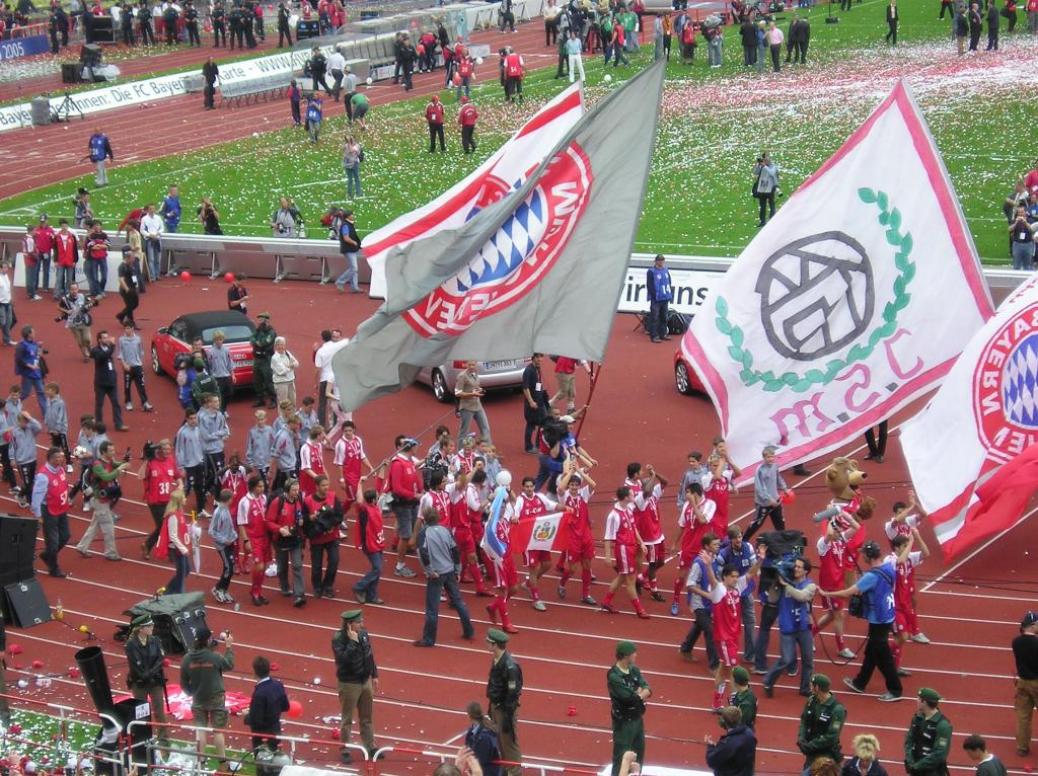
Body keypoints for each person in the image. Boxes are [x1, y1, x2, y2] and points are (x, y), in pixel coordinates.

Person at [824, 540, 902, 701]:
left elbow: (848, 593)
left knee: (883, 656)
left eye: (864, 555)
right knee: (871, 652)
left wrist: (827, 594)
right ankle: (860, 682)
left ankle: (895, 689)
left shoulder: (871, 576)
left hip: (878, 618)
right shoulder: (888, 568)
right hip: (887, 614)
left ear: (868, 555)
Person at [415, 506, 475, 646]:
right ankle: (469, 630)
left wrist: (429, 570)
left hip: (436, 574)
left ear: (425, 519)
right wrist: (457, 569)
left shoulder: (424, 533)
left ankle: (429, 639)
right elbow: (455, 550)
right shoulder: (446, 530)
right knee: (458, 602)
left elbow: (423, 553)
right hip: (449, 570)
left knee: (432, 608)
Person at [180, 627, 234, 769]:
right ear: (208, 640)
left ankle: (201, 761)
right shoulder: (214, 656)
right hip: (215, 697)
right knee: (218, 731)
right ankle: (222, 762)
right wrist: (228, 647)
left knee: (200, 730)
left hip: (198, 699)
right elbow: (229, 665)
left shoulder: (187, 659)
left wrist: (192, 692)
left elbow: (183, 683)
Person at [762, 556, 816, 697]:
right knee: (786, 659)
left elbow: (801, 596)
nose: (795, 569)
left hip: (803, 626)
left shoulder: (810, 585)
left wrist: (786, 585)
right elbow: (771, 599)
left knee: (808, 659)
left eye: (799, 567)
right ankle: (768, 681)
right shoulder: (784, 583)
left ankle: (805, 688)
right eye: (795, 566)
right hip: (788, 627)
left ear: (806, 571)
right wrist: (775, 583)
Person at [332, 610, 379, 762]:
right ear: (349, 624)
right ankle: (345, 748)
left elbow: (369, 655)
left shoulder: (364, 634)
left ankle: (370, 746)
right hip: (349, 683)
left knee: (367, 717)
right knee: (347, 719)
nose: (362, 624)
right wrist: (352, 642)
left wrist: (374, 674)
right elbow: (342, 660)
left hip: (365, 681)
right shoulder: (339, 638)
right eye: (358, 622)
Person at [74, 440, 127, 560]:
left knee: (95, 526)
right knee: (108, 526)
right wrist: (120, 469)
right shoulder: (97, 465)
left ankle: (82, 547)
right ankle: (110, 553)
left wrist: (125, 462)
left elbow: (118, 464)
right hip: (99, 499)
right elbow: (106, 477)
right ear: (103, 452)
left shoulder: (109, 461)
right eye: (111, 450)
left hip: (103, 499)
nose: (114, 452)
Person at [125, 615, 169, 745]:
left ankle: (163, 738)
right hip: (139, 683)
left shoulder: (155, 640)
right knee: (141, 711)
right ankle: (143, 737)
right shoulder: (131, 645)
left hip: (155, 681)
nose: (152, 628)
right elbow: (135, 665)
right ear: (141, 628)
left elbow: (160, 659)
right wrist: (145, 675)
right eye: (149, 626)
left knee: (159, 711)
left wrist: (150, 673)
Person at [607, 640, 649, 776]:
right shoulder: (614, 676)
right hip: (623, 722)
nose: (636, 655)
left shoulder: (634, 670)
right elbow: (628, 699)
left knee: (639, 754)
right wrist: (639, 693)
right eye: (633, 653)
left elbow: (648, 689)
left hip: (637, 719)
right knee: (622, 757)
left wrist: (638, 694)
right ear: (626, 655)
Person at [486, 628, 523, 776]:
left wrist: (508, 715)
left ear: (495, 644)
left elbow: (513, 693)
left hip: (505, 709)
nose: (486, 644)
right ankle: (507, 769)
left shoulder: (510, 666)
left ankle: (514, 772)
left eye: (488, 642)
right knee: (500, 740)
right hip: (496, 706)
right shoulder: (496, 660)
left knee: (509, 742)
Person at [31, 447, 70, 577]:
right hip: (49, 511)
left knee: (65, 536)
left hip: (61, 509)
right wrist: (38, 515)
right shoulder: (43, 476)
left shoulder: (61, 470)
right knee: (52, 543)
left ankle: (47, 555)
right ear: (51, 458)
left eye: (62, 457)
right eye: (58, 457)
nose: (61, 459)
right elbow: (36, 496)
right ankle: (54, 568)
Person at [798, 674, 846, 771]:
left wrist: (811, 745)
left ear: (817, 687)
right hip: (812, 751)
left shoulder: (837, 709)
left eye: (812, 685)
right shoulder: (811, 700)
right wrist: (801, 738)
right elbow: (804, 721)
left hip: (826, 753)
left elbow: (832, 736)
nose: (810, 687)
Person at [246, 655, 289, 755]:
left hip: (261, 736)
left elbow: (257, 720)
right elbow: (286, 706)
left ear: (255, 672)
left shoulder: (259, 693)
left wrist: (247, 716)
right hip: (275, 731)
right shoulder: (278, 685)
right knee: (274, 762)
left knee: (262, 765)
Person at [744, 446, 790, 541]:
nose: (770, 459)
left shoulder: (775, 466)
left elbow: (778, 478)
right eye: (768, 457)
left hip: (776, 501)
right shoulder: (760, 470)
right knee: (757, 523)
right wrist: (769, 499)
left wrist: (785, 489)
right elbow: (760, 488)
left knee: (780, 523)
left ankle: (783, 542)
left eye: (772, 456)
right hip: (763, 504)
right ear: (764, 458)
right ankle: (744, 540)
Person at [905, 688, 953, 775]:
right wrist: (910, 762)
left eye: (919, 699)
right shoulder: (917, 718)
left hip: (932, 772)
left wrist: (917, 766)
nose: (917, 701)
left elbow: (939, 753)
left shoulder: (943, 726)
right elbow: (909, 740)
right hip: (915, 769)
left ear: (924, 702)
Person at [705, 706, 756, 776]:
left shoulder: (728, 743)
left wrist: (710, 746)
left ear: (724, 722)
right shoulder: (749, 733)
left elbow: (712, 761)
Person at [91, 331, 126, 431]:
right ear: (99, 340)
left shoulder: (108, 349)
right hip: (100, 383)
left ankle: (119, 424)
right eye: (104, 338)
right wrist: (113, 346)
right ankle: (99, 425)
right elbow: (103, 356)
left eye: (107, 337)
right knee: (99, 404)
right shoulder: (95, 350)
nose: (107, 339)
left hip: (111, 382)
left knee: (116, 403)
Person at [1014, 611, 1038, 754]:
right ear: (1033, 624)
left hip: (1022, 682)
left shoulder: (1016, 642)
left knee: (1023, 717)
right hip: (1036, 682)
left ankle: (1022, 747)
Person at [456, 361, 492, 443]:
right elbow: (457, 393)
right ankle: (460, 453)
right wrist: (472, 394)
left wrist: (479, 389)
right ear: (466, 365)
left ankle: (488, 451)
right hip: (466, 407)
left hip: (478, 405)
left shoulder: (476, 373)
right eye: (470, 365)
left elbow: (475, 386)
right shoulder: (462, 376)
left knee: (485, 428)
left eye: (473, 365)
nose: (472, 367)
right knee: (464, 432)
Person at [15, 325, 47, 414]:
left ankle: (46, 414)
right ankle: (9, 404)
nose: (35, 333)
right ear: (29, 334)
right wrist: (30, 366)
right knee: (25, 393)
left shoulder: (33, 343)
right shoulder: (21, 346)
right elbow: (18, 360)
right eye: (33, 332)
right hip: (28, 374)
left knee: (41, 392)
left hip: (36, 373)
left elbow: (36, 354)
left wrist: (39, 347)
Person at [464, 701, 502, 776]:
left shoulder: (485, 736)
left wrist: (473, 768)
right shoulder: (473, 730)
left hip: (487, 771)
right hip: (482, 769)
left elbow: (482, 759)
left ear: (469, 715)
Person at [645, 254, 673, 343]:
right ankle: (654, 336)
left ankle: (663, 334)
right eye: (659, 260)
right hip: (656, 299)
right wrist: (654, 296)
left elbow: (669, 282)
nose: (661, 262)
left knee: (664, 317)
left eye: (662, 260)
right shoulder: (651, 271)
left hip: (665, 298)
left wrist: (667, 294)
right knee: (655, 318)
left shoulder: (666, 270)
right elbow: (649, 285)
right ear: (656, 261)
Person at [251, 313, 277, 407]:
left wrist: (257, 343)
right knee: (257, 379)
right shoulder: (258, 330)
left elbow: (265, 342)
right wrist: (257, 342)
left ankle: (273, 399)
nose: (259, 321)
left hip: (266, 359)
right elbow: (252, 339)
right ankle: (260, 398)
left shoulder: (271, 331)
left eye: (261, 319)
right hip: (257, 358)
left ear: (266, 320)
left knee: (268, 380)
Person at [335, 207, 362, 292]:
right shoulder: (346, 225)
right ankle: (340, 281)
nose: (353, 216)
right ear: (348, 216)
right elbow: (346, 238)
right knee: (354, 268)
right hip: (348, 249)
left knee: (353, 268)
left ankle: (354, 287)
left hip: (351, 249)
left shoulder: (349, 224)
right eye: (351, 214)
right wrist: (354, 242)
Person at [752, 153, 779, 227]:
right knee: (762, 205)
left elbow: (772, 173)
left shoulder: (773, 166)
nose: (765, 160)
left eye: (766, 159)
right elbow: (755, 172)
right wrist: (758, 165)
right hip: (762, 188)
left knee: (771, 204)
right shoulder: (762, 166)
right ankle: (762, 221)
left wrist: (765, 166)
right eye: (764, 159)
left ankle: (772, 220)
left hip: (770, 188)